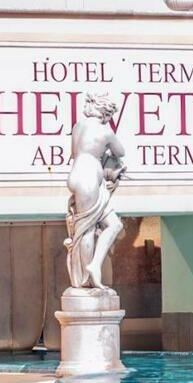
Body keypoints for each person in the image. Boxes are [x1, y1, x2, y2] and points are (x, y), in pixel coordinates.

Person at [65, 93, 127, 290]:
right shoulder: (105, 131)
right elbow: (121, 152)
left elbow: (76, 151)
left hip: (78, 175)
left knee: (114, 224)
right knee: (87, 230)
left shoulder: (78, 126)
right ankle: (85, 279)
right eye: (110, 115)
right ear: (106, 113)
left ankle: (93, 266)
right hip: (88, 179)